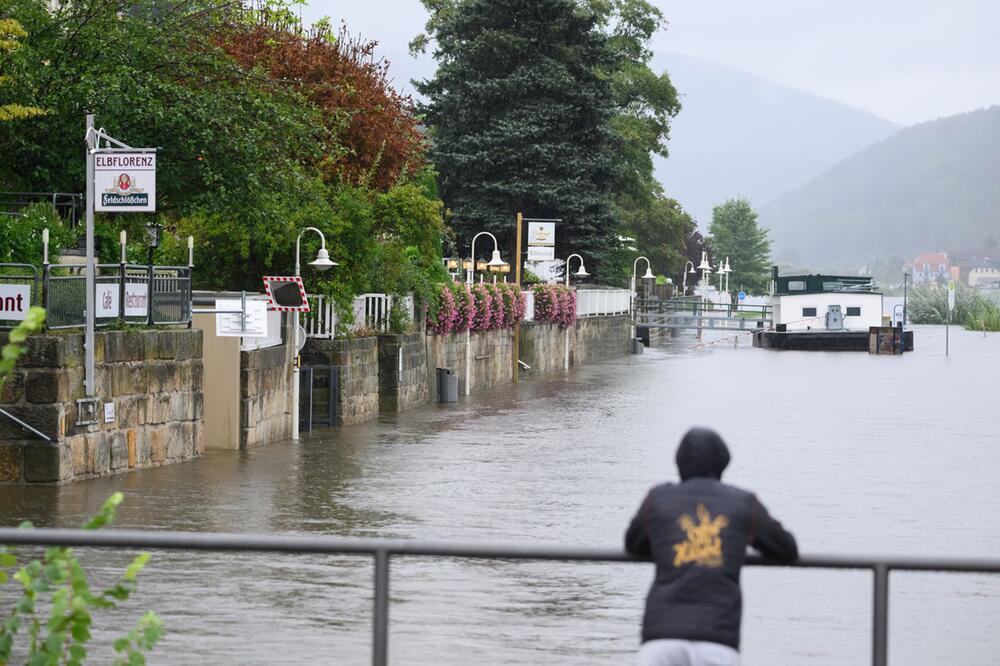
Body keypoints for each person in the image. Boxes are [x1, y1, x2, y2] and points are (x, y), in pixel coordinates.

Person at [624, 427, 798, 666]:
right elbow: (786, 548)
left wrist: (673, 546)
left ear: (679, 463)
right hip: (718, 639)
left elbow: (632, 543)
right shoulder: (743, 502)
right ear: (722, 464)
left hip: (661, 637)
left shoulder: (658, 499)